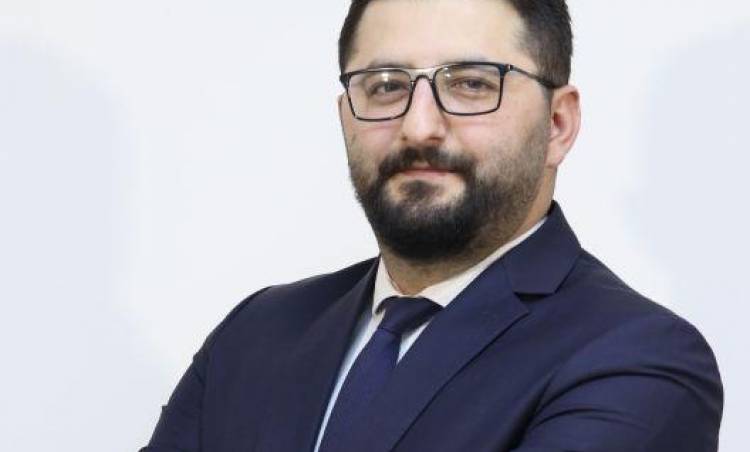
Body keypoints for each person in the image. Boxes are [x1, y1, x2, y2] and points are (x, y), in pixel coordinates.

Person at [141, 0, 723, 451]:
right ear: (345, 118)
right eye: (386, 86)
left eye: (472, 83)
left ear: (558, 124)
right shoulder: (256, 333)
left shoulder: (639, 360)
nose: (419, 127)